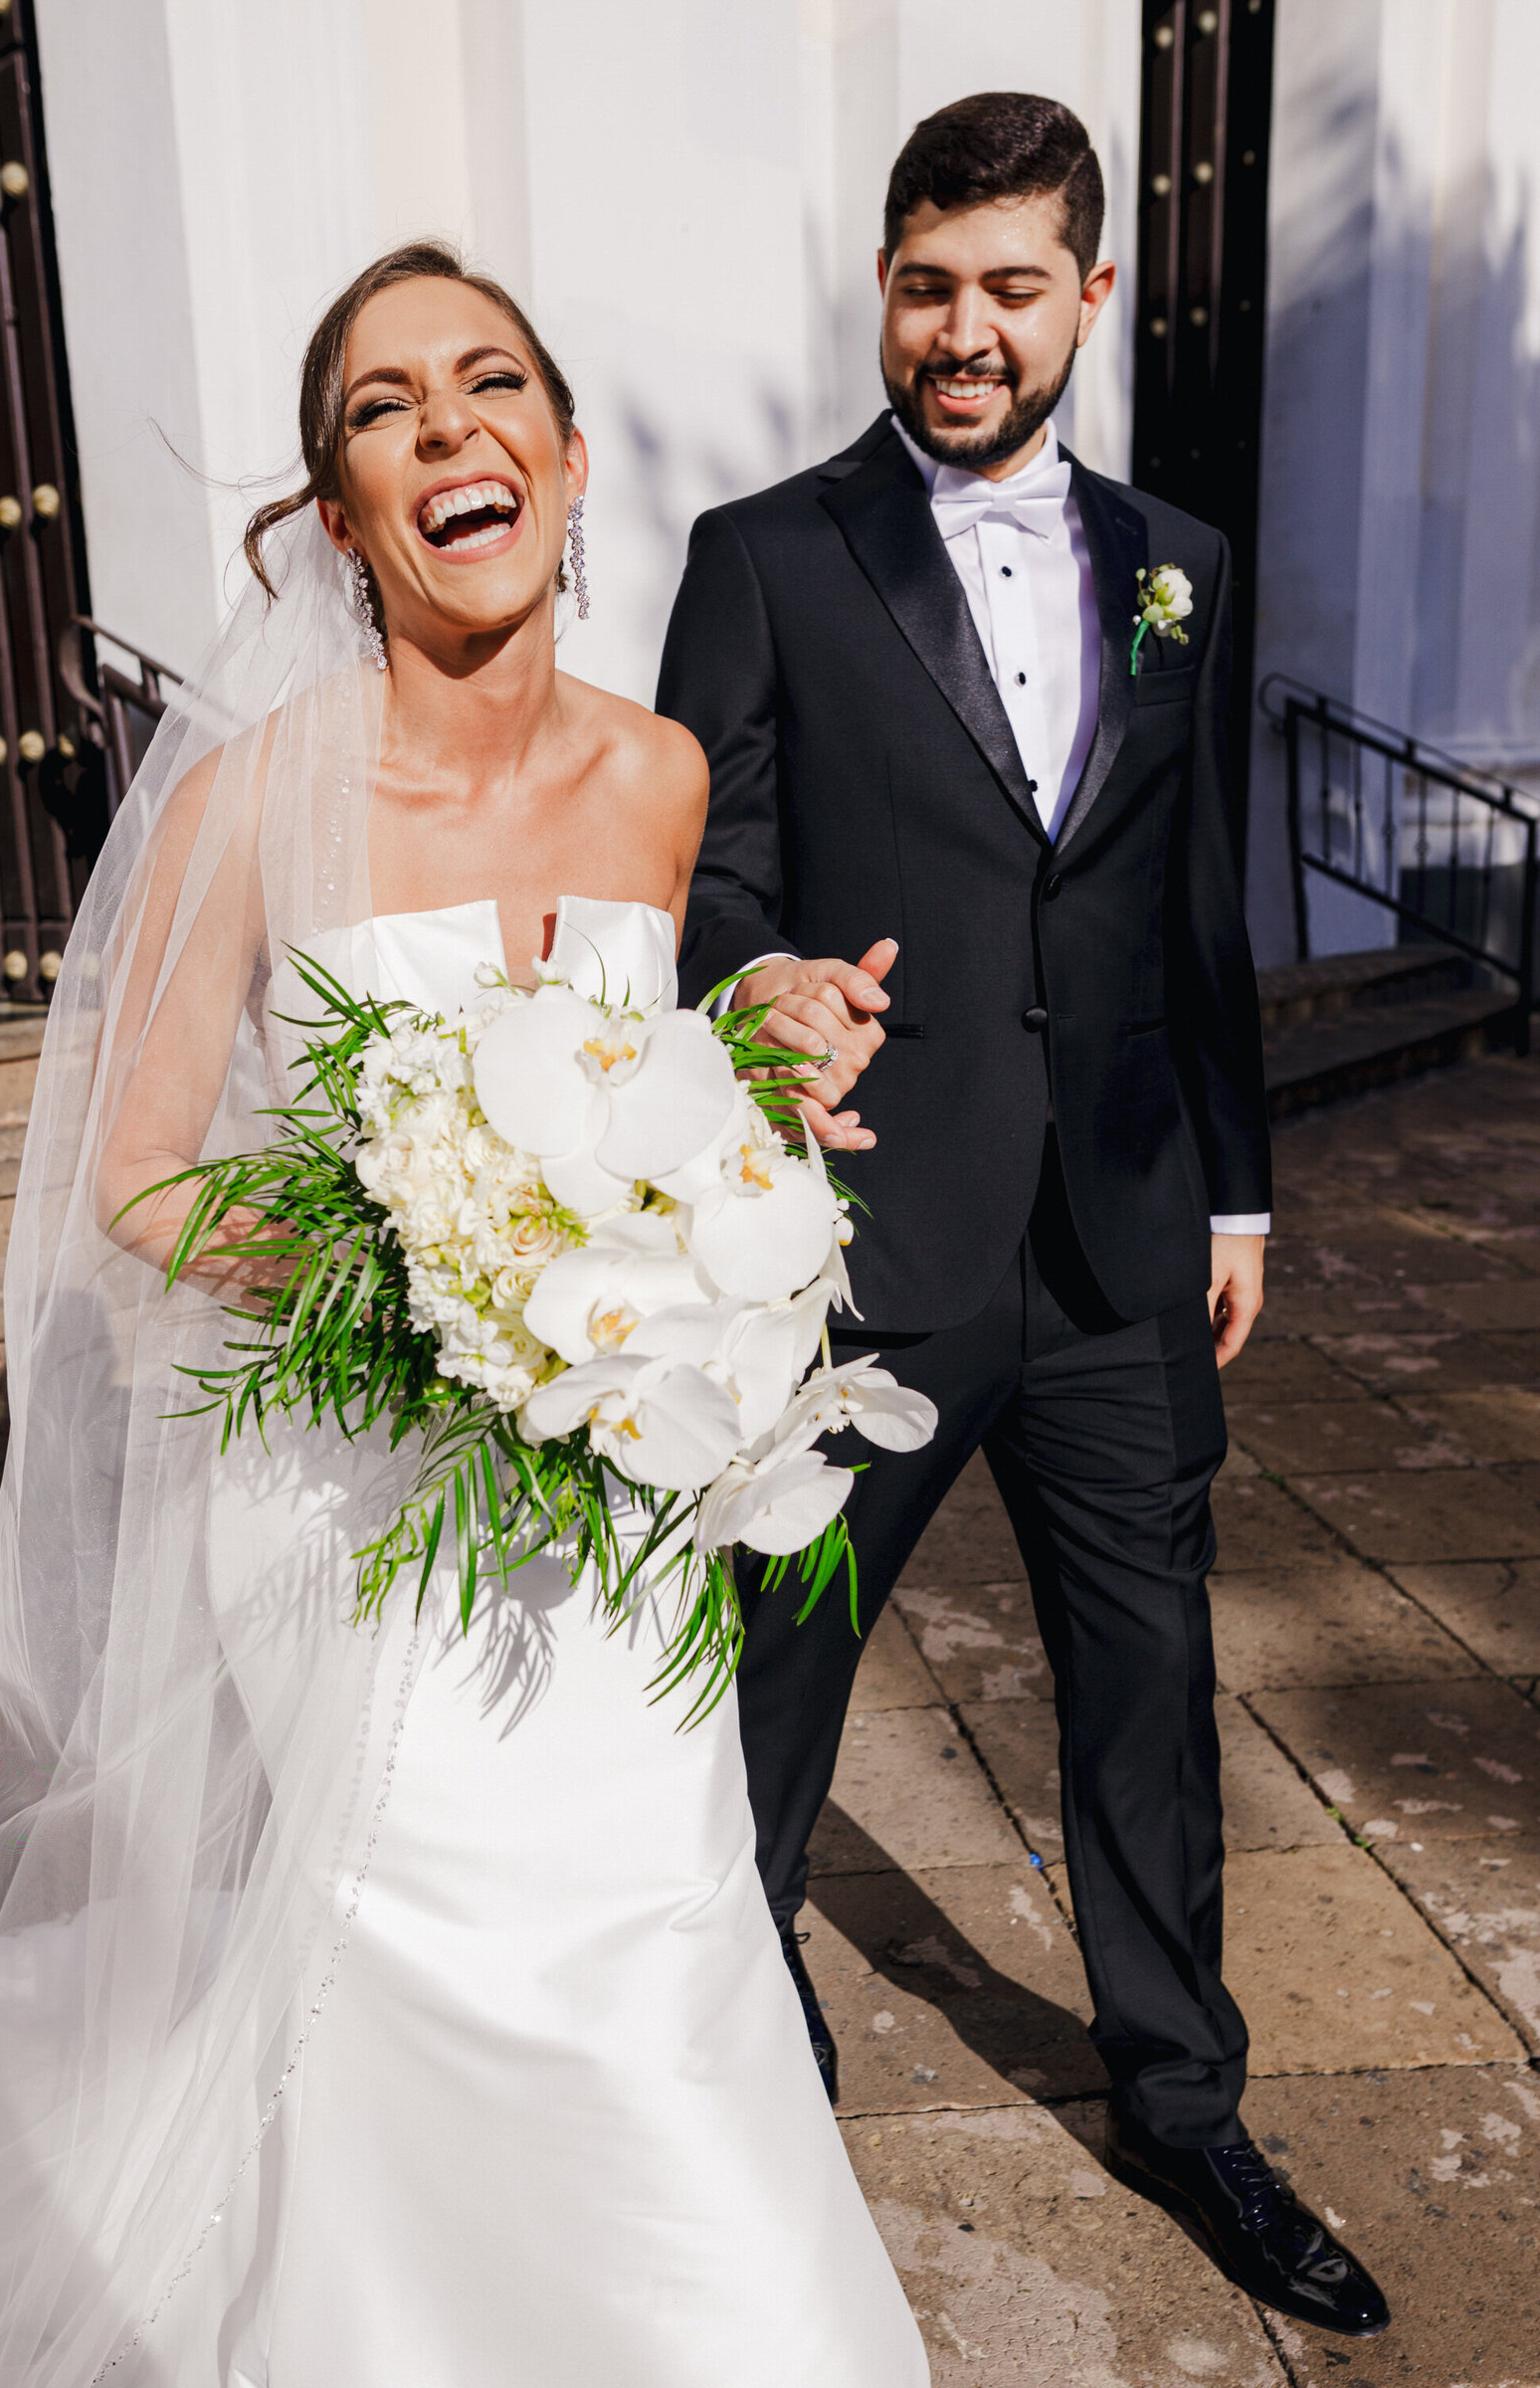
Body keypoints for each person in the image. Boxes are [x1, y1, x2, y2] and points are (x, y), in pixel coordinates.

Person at [0, 244, 927, 2387]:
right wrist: (426, 1267)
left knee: (659, 1924)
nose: (447, 426)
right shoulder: (241, 802)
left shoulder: (660, 778)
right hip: (352, 1490)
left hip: (614, 1493)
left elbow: (637, 1076)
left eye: (491, 384)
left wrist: (747, 1054)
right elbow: (133, 1174)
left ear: (569, 460)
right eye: (385, 409)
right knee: (415, 1939)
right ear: (334, 519)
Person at [659, 93, 1391, 2341]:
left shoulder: (1175, 556)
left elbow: (1184, 908)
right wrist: (746, 1004)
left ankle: (1184, 2106)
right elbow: (705, 895)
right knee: (774, 1682)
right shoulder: (766, 554)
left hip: (1125, 1240)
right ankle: (723, 2055)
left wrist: (1240, 1186)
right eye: (921, 283)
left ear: (1082, 295)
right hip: (862, 1242)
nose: (959, 331)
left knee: (1148, 1699)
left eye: (1004, 287)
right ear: (883, 291)